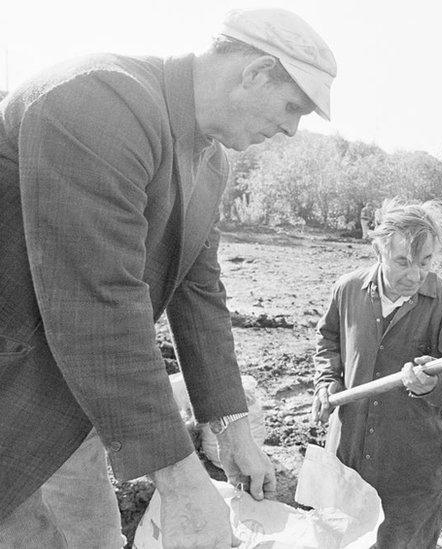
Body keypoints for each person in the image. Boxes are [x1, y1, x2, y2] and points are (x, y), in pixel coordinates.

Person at [0, 8, 336, 548]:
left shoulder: (211, 162)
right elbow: (98, 300)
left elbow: (200, 293)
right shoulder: (101, 97)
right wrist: (180, 481)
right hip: (14, 385)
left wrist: (231, 427)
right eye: (293, 106)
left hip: (76, 395)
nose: (290, 130)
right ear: (256, 71)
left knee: (93, 538)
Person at [310, 198, 442, 548]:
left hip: (409, 469)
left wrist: (430, 387)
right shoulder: (348, 289)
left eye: (425, 262)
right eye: (403, 262)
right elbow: (328, 339)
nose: (415, 274)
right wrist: (326, 381)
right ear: (379, 248)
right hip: (347, 455)